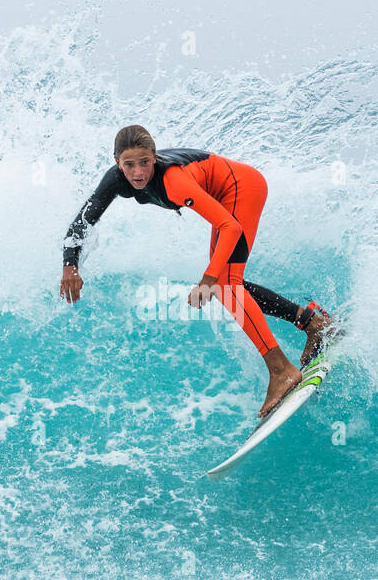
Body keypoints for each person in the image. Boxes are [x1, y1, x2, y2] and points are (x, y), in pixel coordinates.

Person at [59, 125, 341, 417]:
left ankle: (282, 370)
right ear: (118, 163)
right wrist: (70, 264)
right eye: (129, 165)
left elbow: (230, 226)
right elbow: (84, 219)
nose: (138, 172)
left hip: (242, 188)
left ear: (154, 158)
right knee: (229, 283)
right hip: (226, 194)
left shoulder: (172, 181)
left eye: (145, 162)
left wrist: (207, 280)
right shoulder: (115, 180)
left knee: (224, 285)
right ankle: (312, 324)